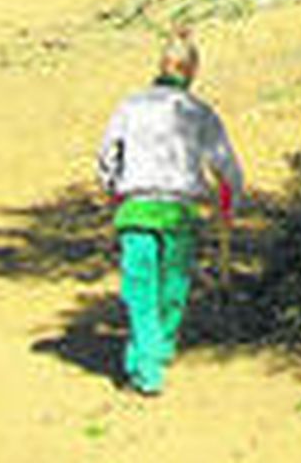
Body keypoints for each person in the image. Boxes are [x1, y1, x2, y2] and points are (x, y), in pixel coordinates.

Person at [95, 37, 245, 396]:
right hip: (179, 211)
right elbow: (225, 164)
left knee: (140, 289)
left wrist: (112, 186)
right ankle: (152, 358)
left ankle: (144, 358)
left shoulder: (130, 105)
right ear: (192, 71)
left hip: (138, 208)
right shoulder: (198, 111)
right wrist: (232, 199)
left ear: (161, 66)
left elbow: (106, 155)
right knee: (172, 289)